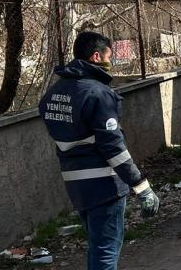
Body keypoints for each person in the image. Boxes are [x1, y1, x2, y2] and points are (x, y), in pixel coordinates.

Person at [41, 31, 161, 269]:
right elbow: (113, 147)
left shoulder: (52, 95)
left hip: (76, 185)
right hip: (104, 185)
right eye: (109, 56)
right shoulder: (98, 93)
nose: (111, 62)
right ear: (96, 57)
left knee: (97, 249)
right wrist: (142, 187)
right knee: (106, 254)